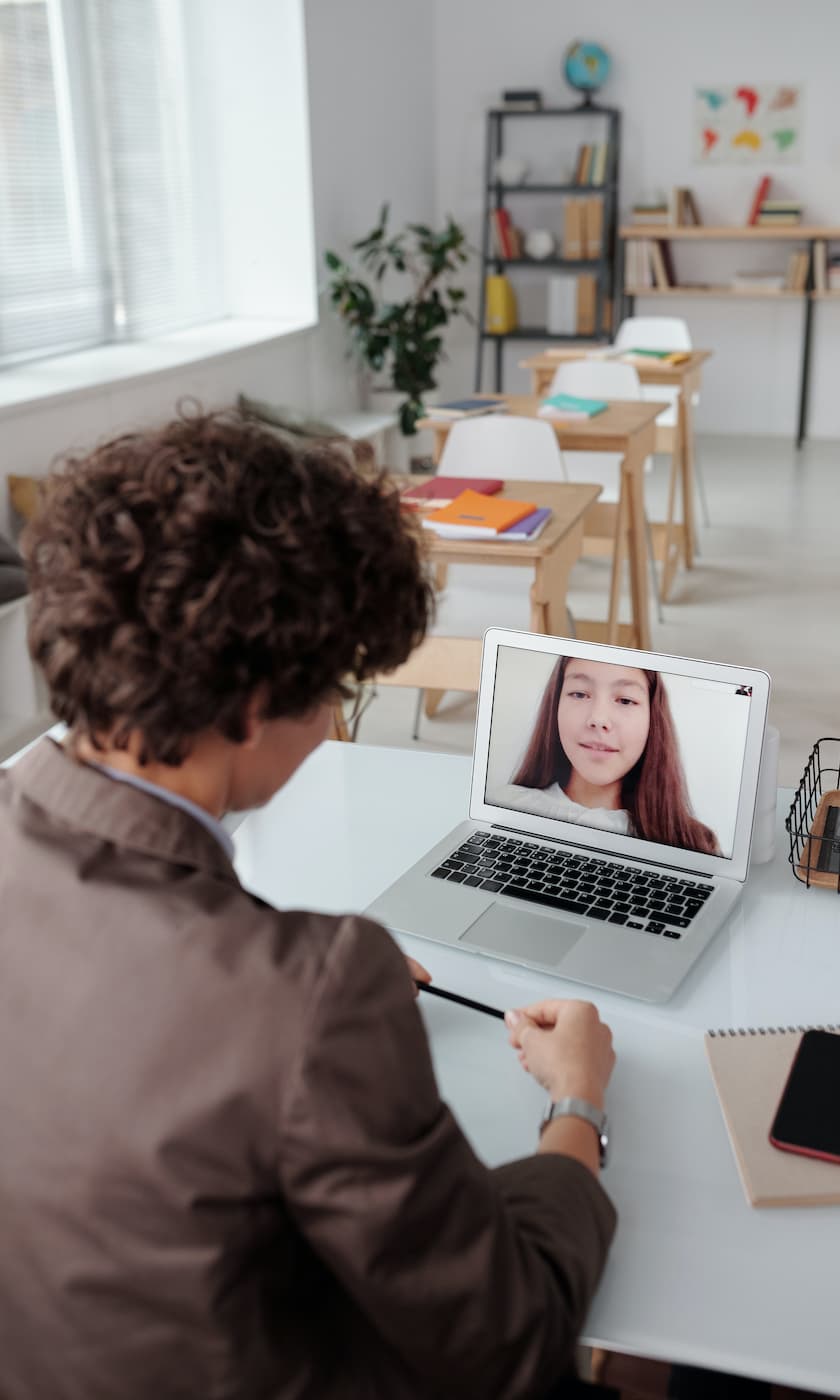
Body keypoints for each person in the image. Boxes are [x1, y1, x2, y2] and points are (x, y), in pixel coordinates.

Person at [0, 410, 619, 1400]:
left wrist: (311, 1029)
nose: (336, 721)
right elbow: (505, 1340)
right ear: (251, 705)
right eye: (334, 687)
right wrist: (578, 1110)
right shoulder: (308, 990)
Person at [493, 655, 720, 856]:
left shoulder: (694, 843)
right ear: (555, 707)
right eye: (580, 694)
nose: (599, 719)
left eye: (625, 700)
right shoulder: (505, 807)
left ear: (653, 719)